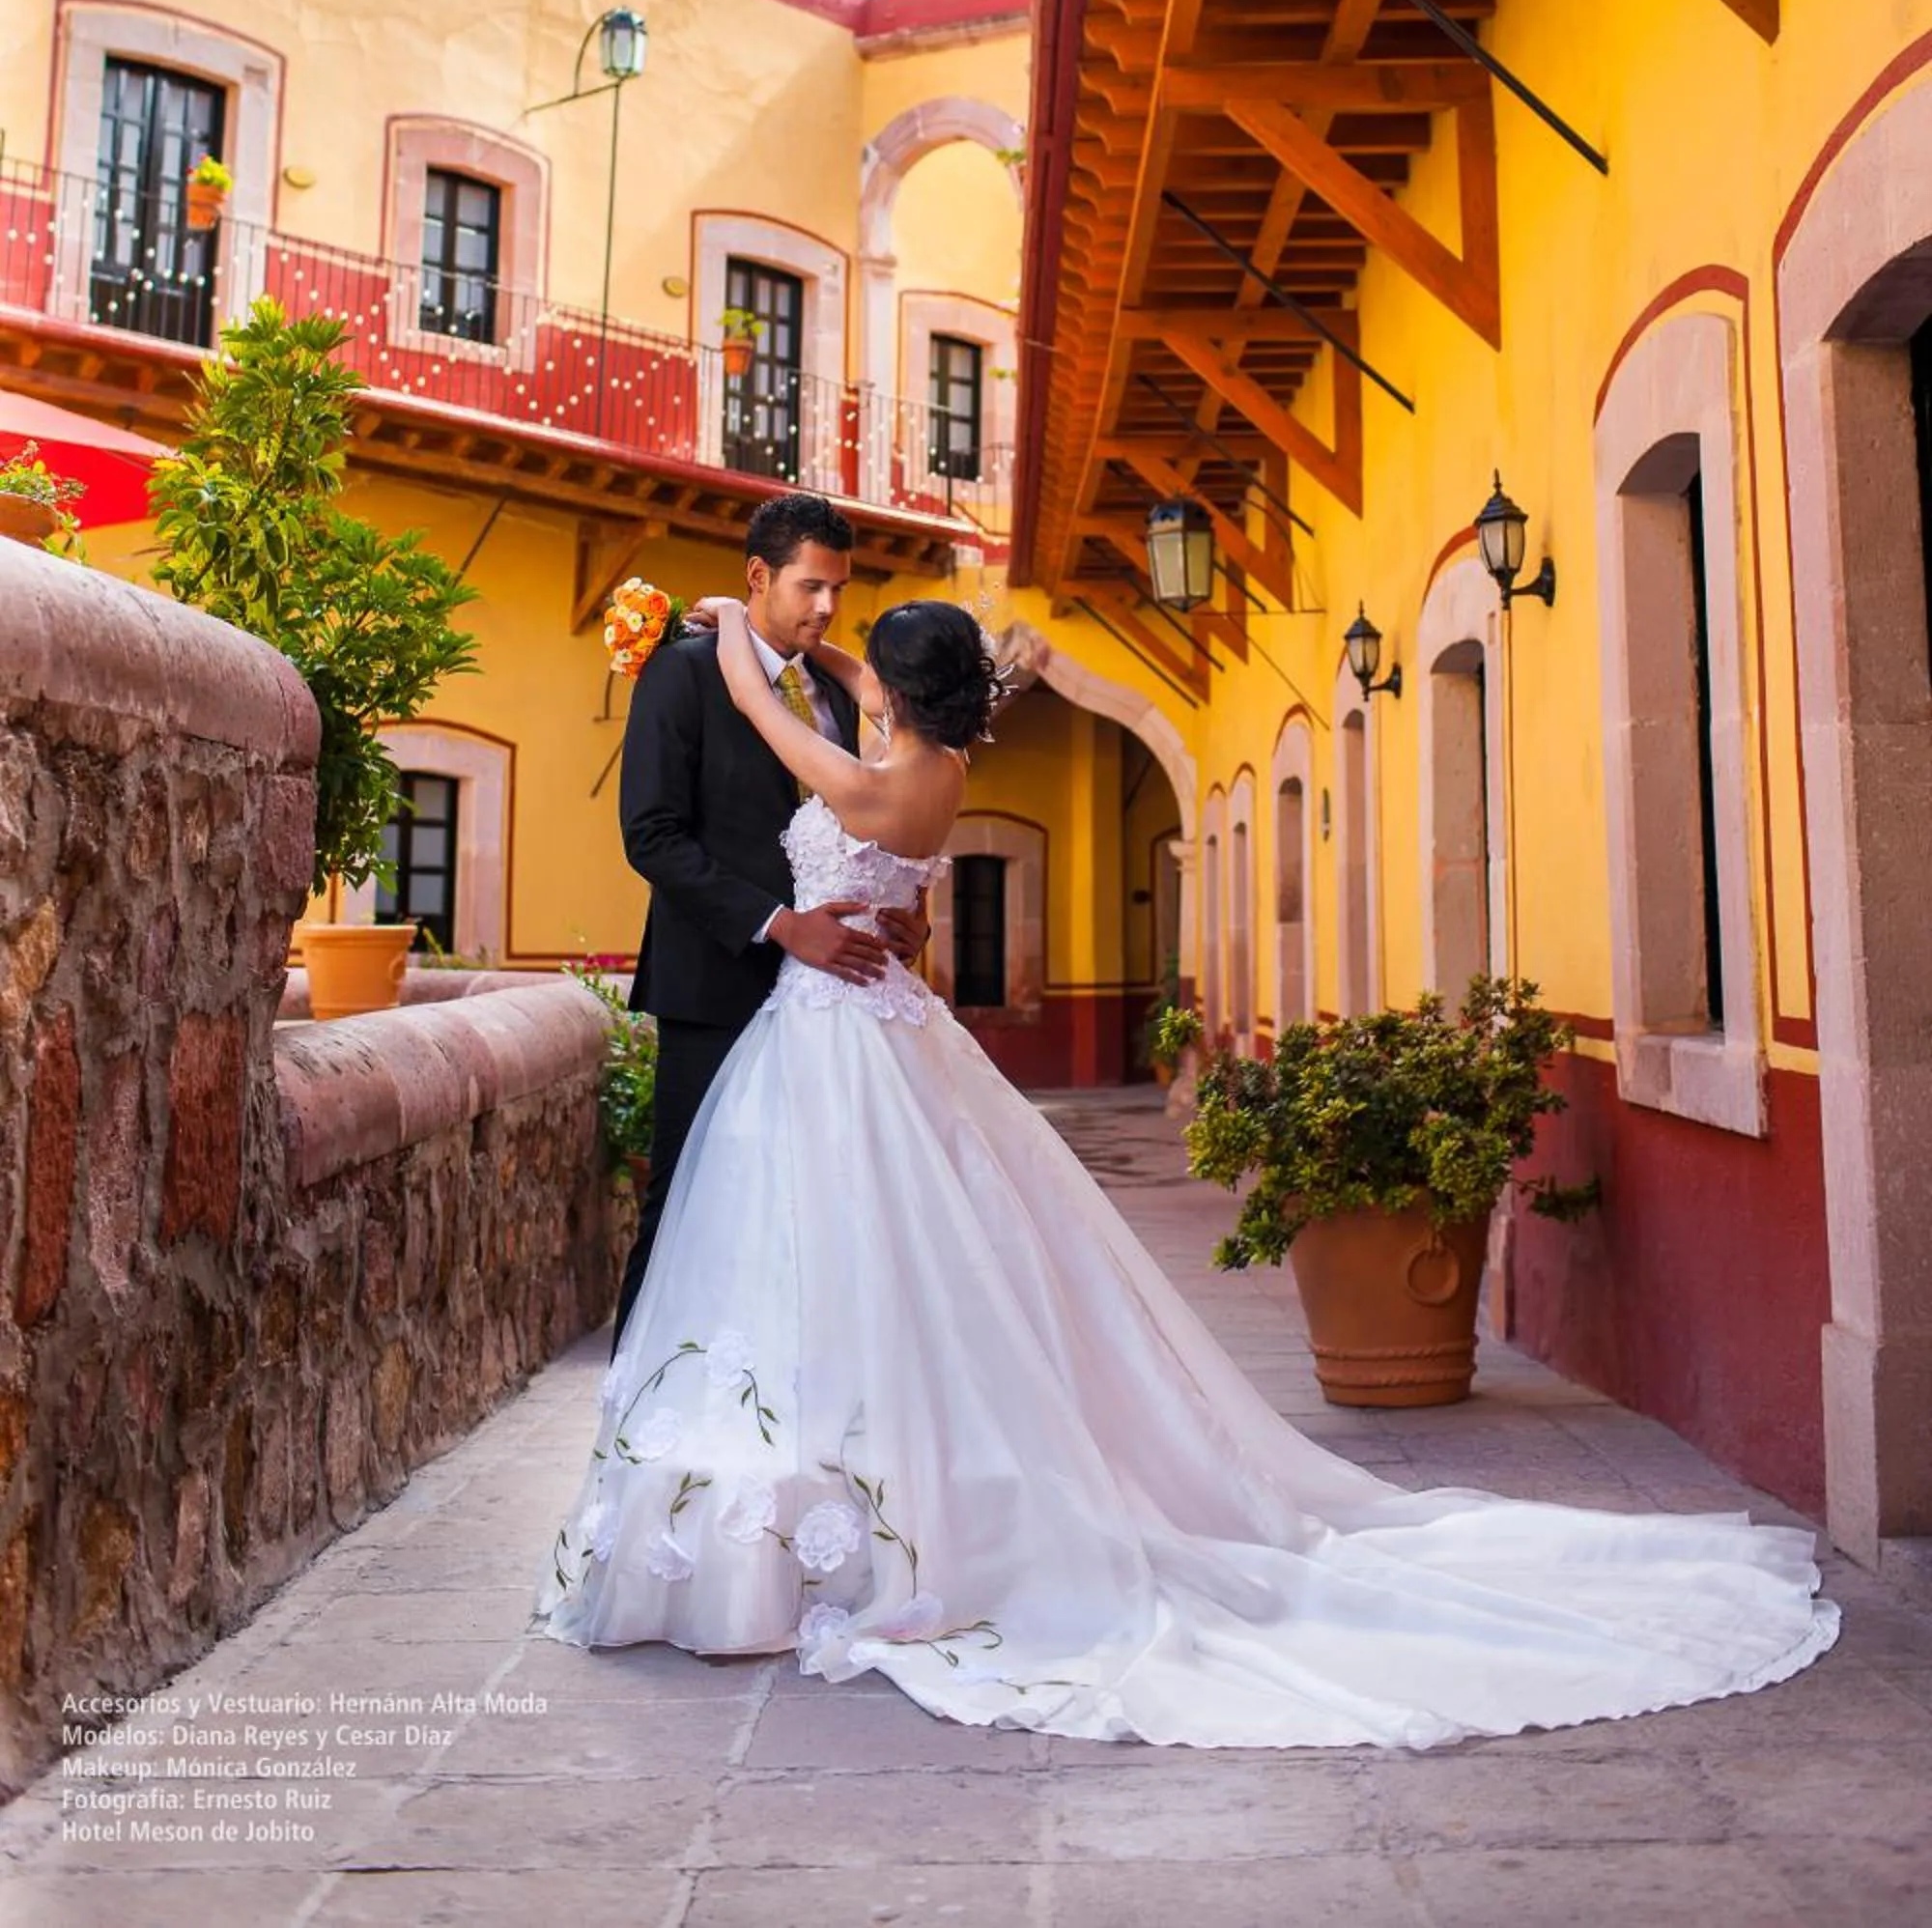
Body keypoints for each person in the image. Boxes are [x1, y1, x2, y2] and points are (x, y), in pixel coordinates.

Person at [541, 596, 1837, 1750]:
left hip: (840, 1042)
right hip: (865, 1029)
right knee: (891, 1267)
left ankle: (872, 1509)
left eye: (872, 664)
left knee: (862, 1261)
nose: (860, 677)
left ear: (896, 685)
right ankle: (854, 1490)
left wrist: (730, 639)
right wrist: (885, 907)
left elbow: (779, 734)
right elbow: (913, 907)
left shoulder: (891, 778)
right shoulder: (928, 776)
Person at [607, 493, 928, 1348]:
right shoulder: (680, 672)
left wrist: (904, 916)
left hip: (833, 1009)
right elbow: (651, 835)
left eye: (840, 591)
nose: (827, 607)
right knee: (682, 1207)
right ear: (758, 576)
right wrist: (782, 925)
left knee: (810, 1217)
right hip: (717, 985)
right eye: (811, 587)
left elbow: (874, 824)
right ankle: (627, 1433)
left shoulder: (834, 685)